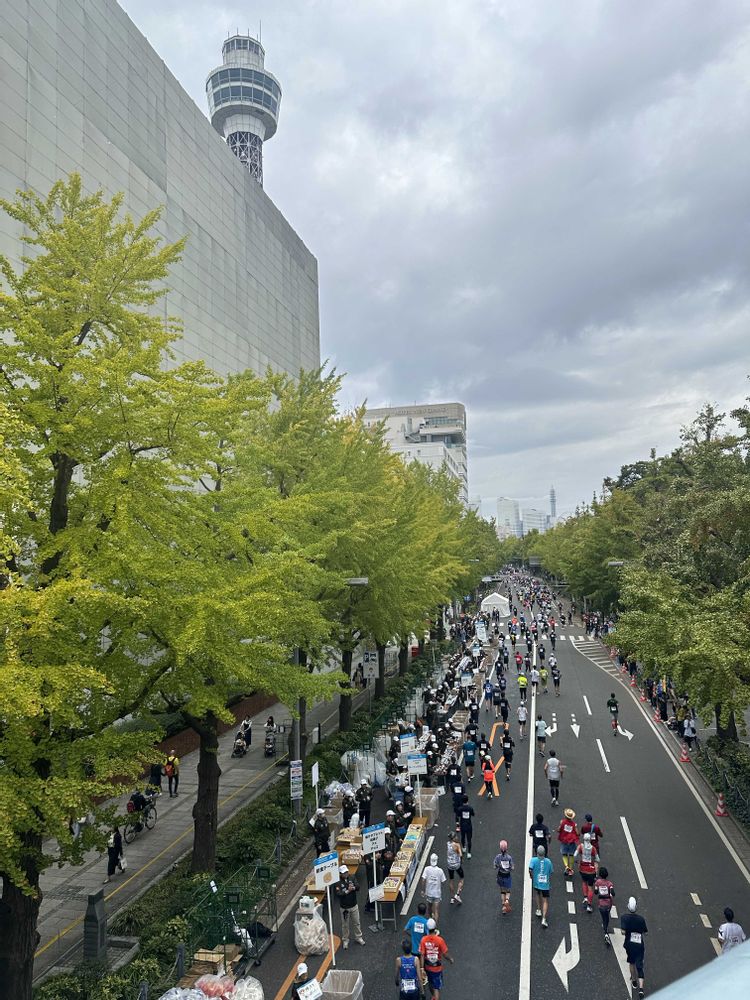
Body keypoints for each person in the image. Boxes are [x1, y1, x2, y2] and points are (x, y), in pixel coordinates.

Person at [419, 919, 454, 1000]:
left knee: (430, 984)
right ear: (435, 928)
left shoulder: (423, 940)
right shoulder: (440, 940)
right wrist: (450, 959)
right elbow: (445, 953)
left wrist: (421, 968)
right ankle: (435, 997)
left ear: (427, 928)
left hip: (427, 967)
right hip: (437, 968)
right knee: (436, 988)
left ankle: (433, 997)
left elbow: (422, 954)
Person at [621, 897, 648, 999]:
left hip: (630, 945)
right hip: (639, 945)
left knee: (631, 963)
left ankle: (634, 981)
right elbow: (646, 932)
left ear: (628, 906)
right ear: (636, 907)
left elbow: (623, 932)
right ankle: (641, 989)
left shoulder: (624, 918)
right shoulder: (641, 919)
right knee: (640, 966)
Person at [334, 865, 366, 949]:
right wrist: (348, 891)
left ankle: (358, 937)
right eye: (344, 873)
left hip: (354, 905)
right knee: (345, 925)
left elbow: (358, 887)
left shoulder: (352, 877)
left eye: (346, 872)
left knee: (357, 922)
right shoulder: (337, 882)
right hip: (344, 908)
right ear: (340, 874)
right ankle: (345, 940)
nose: (346, 874)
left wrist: (353, 888)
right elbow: (338, 894)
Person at [528, 844, 553, 927]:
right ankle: (544, 918)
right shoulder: (548, 861)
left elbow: (530, 869)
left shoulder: (533, 860)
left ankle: (538, 909)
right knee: (545, 900)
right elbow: (551, 872)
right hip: (545, 884)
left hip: (536, 882)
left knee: (537, 894)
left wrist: (531, 875)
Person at [574, 832, 599, 911]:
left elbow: (575, 855)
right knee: (590, 887)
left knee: (584, 882)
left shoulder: (580, 846)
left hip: (582, 868)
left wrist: (577, 862)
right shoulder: (593, 848)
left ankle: (585, 897)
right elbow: (597, 859)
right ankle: (589, 905)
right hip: (591, 870)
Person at [422, 853, 447, 921]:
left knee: (429, 907)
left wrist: (423, 890)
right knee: (436, 910)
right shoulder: (440, 870)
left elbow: (423, 879)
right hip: (437, 893)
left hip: (429, 892)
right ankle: (435, 927)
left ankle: (430, 919)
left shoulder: (426, 869)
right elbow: (444, 881)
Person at [594, 866, 615, 945]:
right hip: (609, 904)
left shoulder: (597, 883)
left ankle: (605, 932)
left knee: (604, 917)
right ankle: (606, 927)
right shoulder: (610, 884)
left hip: (601, 904)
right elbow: (613, 893)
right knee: (607, 917)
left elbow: (595, 892)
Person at [494, 839, 514, 914]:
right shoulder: (509, 858)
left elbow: (495, 866)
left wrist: (499, 866)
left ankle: (503, 906)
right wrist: (508, 868)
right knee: (508, 890)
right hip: (507, 875)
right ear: (506, 848)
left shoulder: (498, 857)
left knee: (502, 891)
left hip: (500, 875)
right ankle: (507, 900)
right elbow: (512, 867)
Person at [557, 808, 578, 877]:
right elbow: (577, 833)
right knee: (571, 855)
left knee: (564, 854)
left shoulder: (562, 822)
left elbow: (559, 830)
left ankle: (566, 866)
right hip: (571, 841)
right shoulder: (574, 824)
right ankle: (571, 868)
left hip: (564, 840)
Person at [446, 828, 465, 904]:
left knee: (451, 880)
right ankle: (457, 894)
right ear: (453, 838)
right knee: (462, 878)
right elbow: (460, 854)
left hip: (449, 864)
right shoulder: (457, 845)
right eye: (455, 837)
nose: (457, 837)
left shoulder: (448, 844)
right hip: (456, 864)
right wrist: (461, 859)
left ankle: (452, 897)